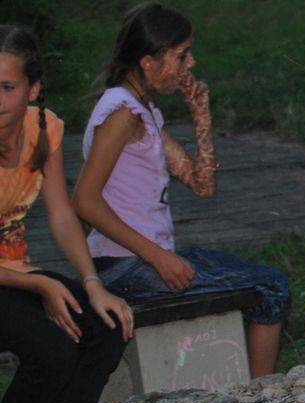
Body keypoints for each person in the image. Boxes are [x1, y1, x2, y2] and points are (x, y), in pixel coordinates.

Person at [73, 2, 291, 379]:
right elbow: (84, 201)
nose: (190, 63)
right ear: (148, 61)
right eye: (181, 54)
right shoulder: (122, 113)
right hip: (124, 266)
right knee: (272, 287)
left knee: (261, 279)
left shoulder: (145, 113)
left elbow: (201, 184)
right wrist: (159, 258)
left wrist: (201, 114)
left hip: (141, 260)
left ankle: (257, 392)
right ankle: (263, 398)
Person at [0, 25, 132, 403]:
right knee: (52, 351)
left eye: (7, 87)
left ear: (33, 88)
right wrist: (43, 284)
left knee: (105, 328)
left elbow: (60, 213)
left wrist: (92, 283)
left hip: (13, 273)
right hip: (18, 280)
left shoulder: (45, 130)